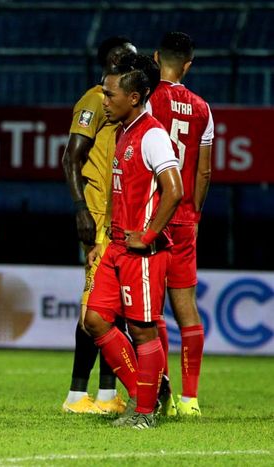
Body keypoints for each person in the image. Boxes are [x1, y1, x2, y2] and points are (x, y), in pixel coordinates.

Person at [83, 54, 184, 429]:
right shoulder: (124, 131)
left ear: (135, 97)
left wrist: (150, 234)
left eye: (109, 95)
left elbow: (175, 189)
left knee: (142, 329)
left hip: (142, 252)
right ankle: (151, 393)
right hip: (116, 247)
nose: (104, 101)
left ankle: (144, 412)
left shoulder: (152, 134)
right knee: (94, 319)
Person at [60, 36, 136, 415]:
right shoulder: (94, 100)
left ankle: (107, 394)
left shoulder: (128, 105)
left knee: (115, 308)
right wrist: (81, 210)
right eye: (129, 59)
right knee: (96, 308)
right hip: (99, 218)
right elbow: (70, 158)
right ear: (114, 61)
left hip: (121, 217)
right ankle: (76, 395)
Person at [148, 32, 213, 417]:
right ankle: (190, 400)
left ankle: (164, 395)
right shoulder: (204, 108)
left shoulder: (145, 101)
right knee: (186, 307)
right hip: (186, 217)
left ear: (156, 58)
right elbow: (203, 171)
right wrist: (196, 214)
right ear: (188, 64)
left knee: (151, 310)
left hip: (154, 216)